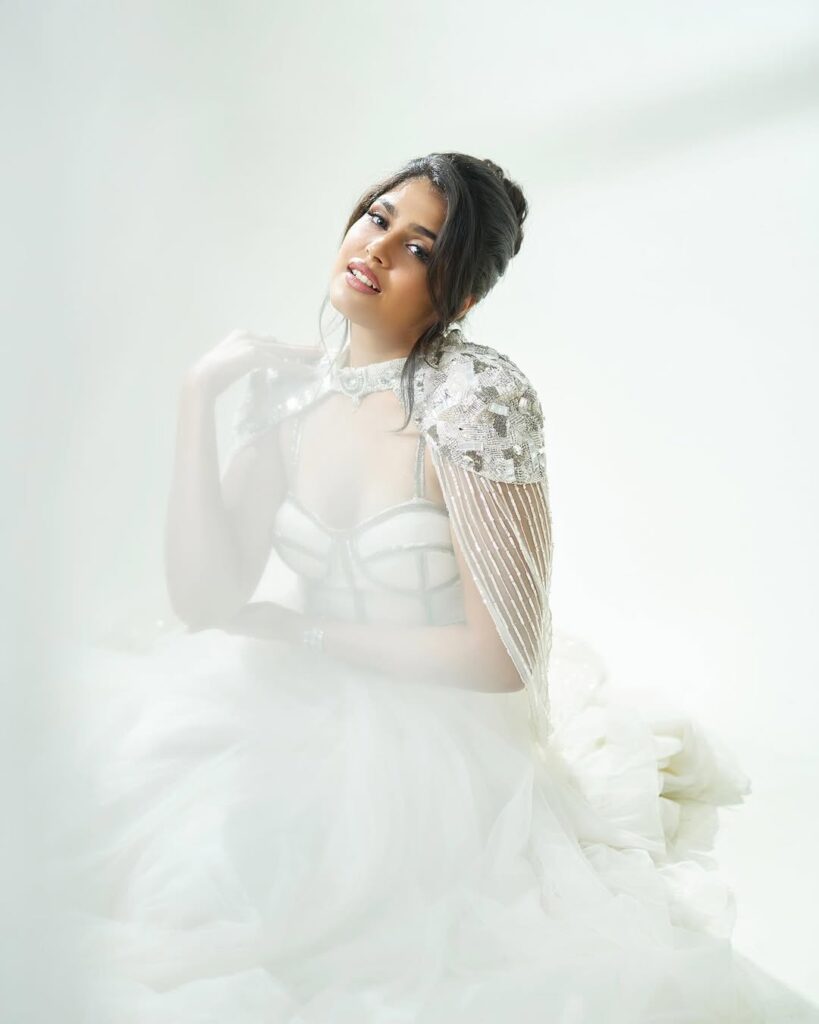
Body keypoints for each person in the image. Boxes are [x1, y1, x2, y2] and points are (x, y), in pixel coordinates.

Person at [52, 153, 818, 1022]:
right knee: (134, 831)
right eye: (377, 218)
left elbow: (502, 656)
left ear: (460, 299)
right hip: (283, 694)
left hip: (429, 731)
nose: (377, 249)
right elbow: (204, 602)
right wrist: (199, 400)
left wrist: (304, 634)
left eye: (419, 248)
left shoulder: (474, 397)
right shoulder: (290, 393)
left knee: (281, 881)